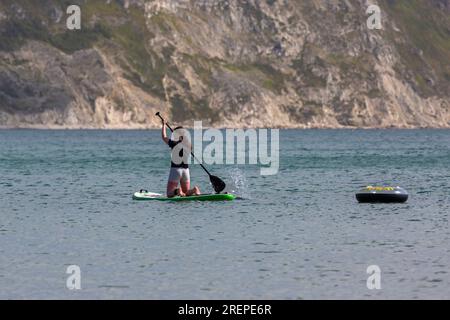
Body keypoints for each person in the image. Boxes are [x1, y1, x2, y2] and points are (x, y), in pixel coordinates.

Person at [161, 119, 201, 197]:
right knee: (186, 193)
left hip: (176, 170)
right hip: (186, 171)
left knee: (169, 194)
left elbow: (164, 137)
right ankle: (194, 190)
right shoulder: (189, 145)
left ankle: (177, 191)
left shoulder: (174, 143)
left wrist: (164, 125)